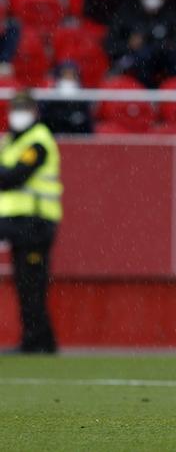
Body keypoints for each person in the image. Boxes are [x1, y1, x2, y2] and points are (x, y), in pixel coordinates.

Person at [0, 91, 62, 354]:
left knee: (32, 284)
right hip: (18, 222)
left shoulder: (38, 141)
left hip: (36, 222)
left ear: (35, 111)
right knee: (27, 283)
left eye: (23, 108)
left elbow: (15, 176)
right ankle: (38, 340)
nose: (18, 113)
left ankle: (39, 340)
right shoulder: (14, 141)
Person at [104, 0, 176, 88]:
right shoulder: (125, 15)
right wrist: (129, 44)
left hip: (166, 69)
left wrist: (165, 44)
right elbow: (110, 45)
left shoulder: (170, 15)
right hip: (136, 68)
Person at [40, 62, 94, 135]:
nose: (68, 78)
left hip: (77, 139)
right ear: (58, 77)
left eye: (72, 75)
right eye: (65, 75)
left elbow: (88, 127)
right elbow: (46, 122)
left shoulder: (84, 100)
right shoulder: (49, 100)